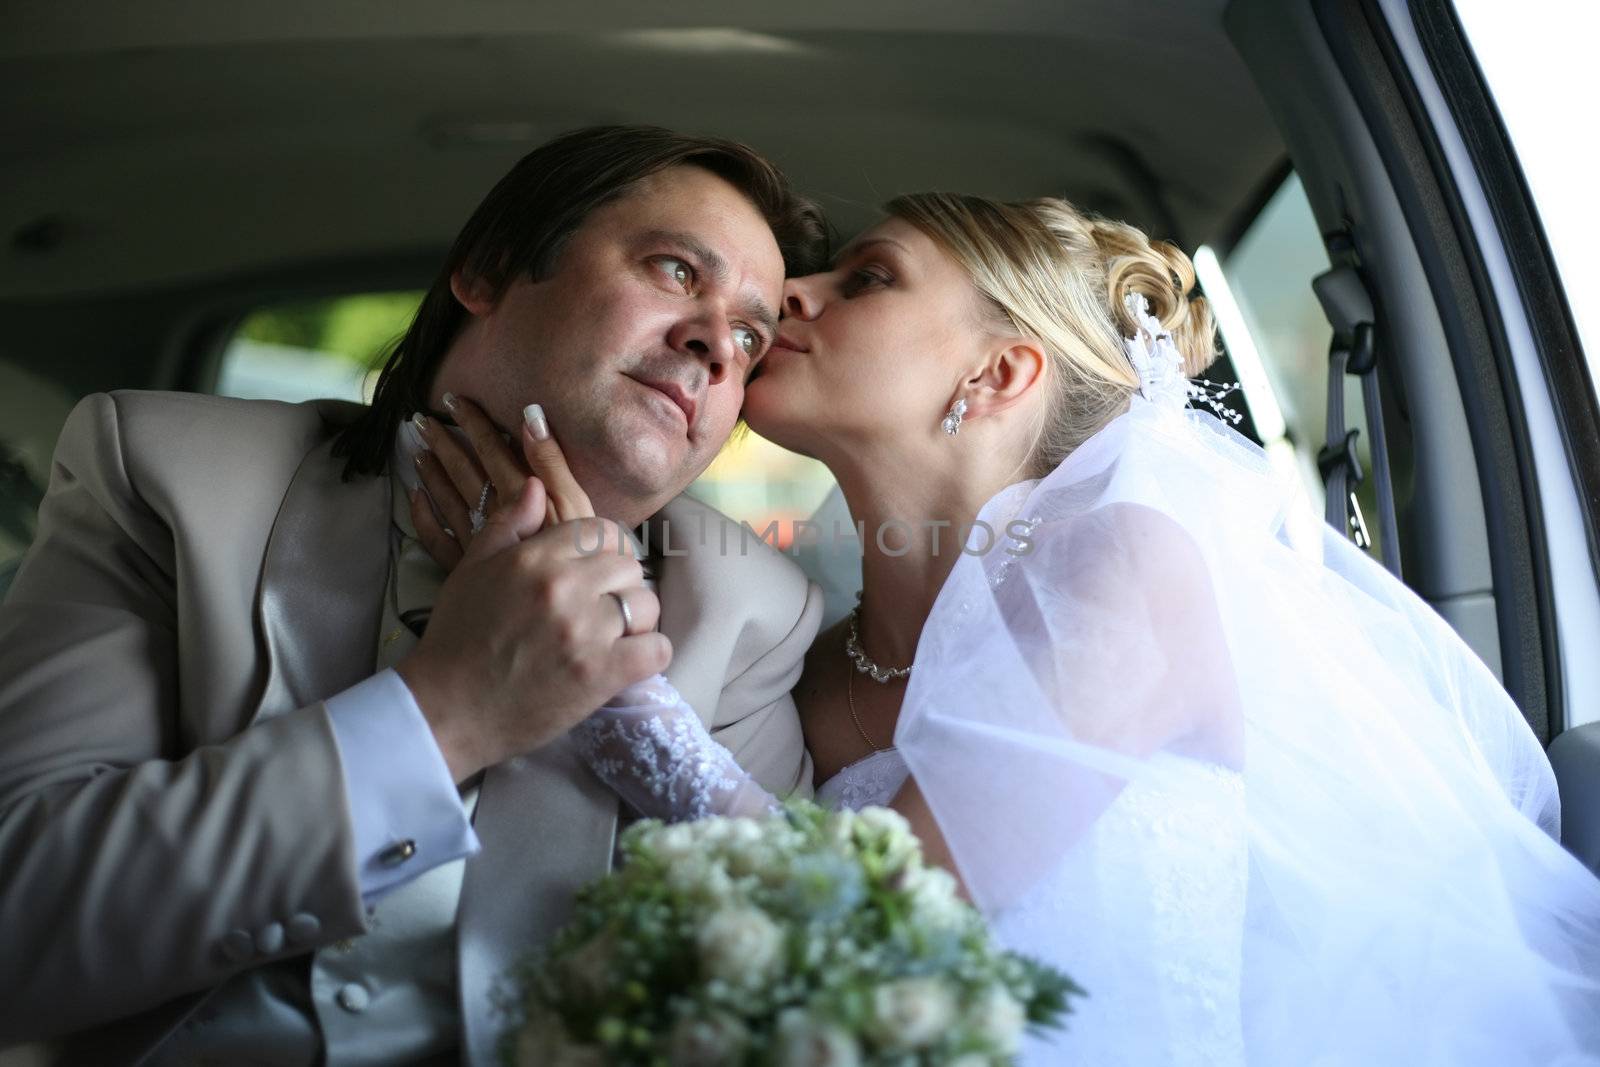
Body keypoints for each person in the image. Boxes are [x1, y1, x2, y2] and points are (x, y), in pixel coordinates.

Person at [426, 192, 1600, 1063]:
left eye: (868, 277)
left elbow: (895, 917)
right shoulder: (810, 655)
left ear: (995, 375)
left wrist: (613, 686)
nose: (789, 296)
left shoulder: (1131, 569)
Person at [0, 125, 831, 1064]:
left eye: (752, 334)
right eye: (677, 272)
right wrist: (450, 711)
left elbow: (800, 999)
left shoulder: (751, 610)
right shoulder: (164, 475)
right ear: (487, 269)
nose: (717, 343)